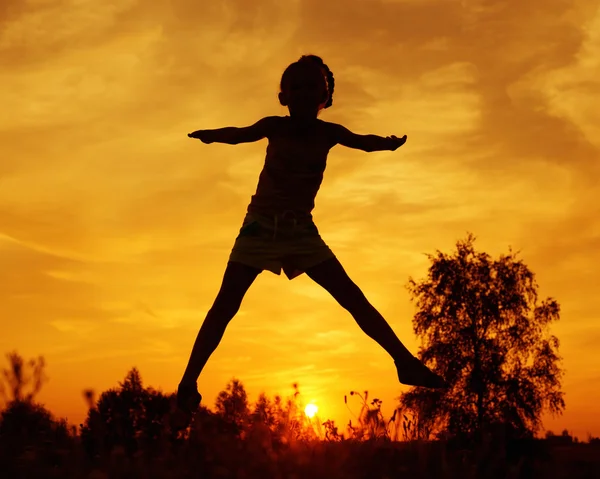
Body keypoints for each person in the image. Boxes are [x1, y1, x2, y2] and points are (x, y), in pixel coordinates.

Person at [178, 54, 447, 414]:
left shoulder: (329, 133)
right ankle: (188, 382)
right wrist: (212, 136)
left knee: (352, 296)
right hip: (259, 227)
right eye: (297, 87)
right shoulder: (274, 126)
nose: (305, 93)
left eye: (314, 87)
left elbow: (362, 141)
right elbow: (240, 134)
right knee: (225, 305)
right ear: (284, 96)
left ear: (326, 97)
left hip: (301, 231)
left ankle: (403, 362)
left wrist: (385, 143)